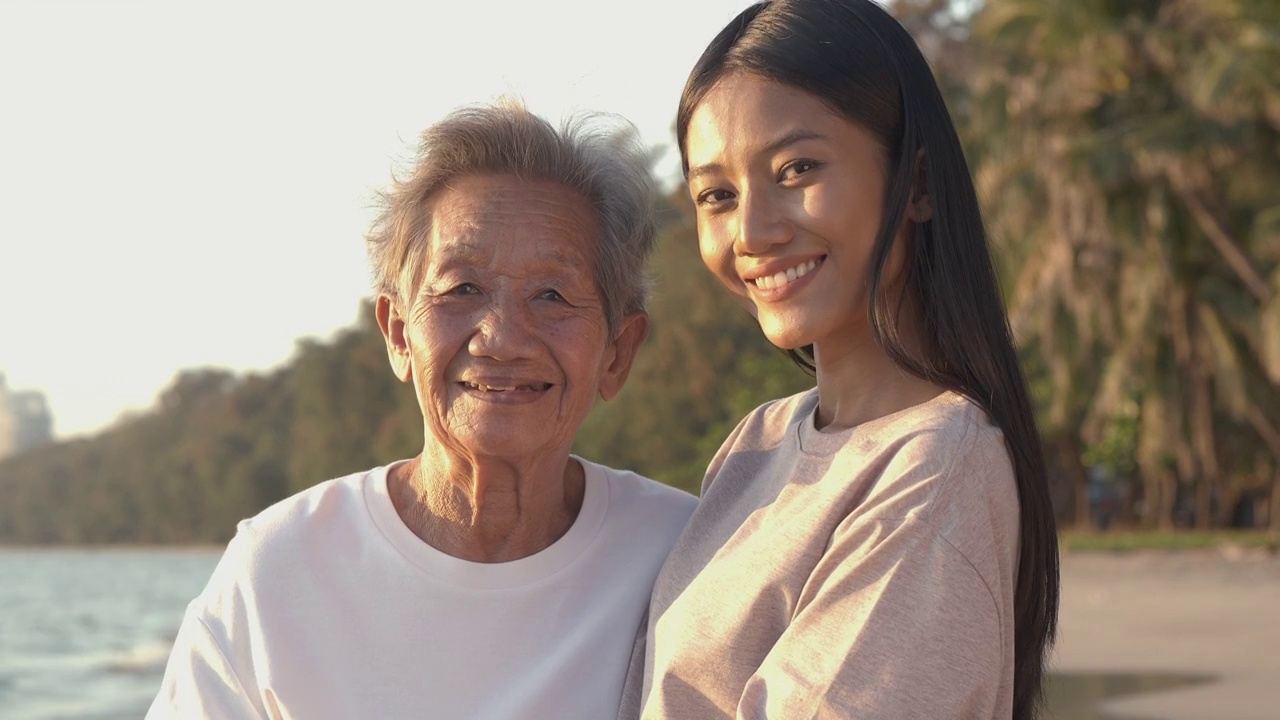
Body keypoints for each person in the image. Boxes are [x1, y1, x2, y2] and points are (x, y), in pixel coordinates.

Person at [148, 100, 697, 720]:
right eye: (463, 288)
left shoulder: (687, 557)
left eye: (552, 294)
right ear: (398, 333)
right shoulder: (280, 569)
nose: (503, 337)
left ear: (618, 352)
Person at [631, 1, 1060, 718]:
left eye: (797, 168)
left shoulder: (936, 466)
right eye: (717, 195)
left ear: (916, 185)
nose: (754, 230)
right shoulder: (759, 441)